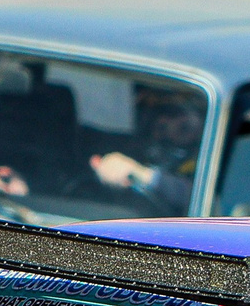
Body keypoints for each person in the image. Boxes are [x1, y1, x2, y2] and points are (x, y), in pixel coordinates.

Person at [87, 84, 204, 213]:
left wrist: (143, 174)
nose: (173, 126)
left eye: (172, 113)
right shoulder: (185, 167)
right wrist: (135, 173)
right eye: (162, 129)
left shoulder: (221, 118)